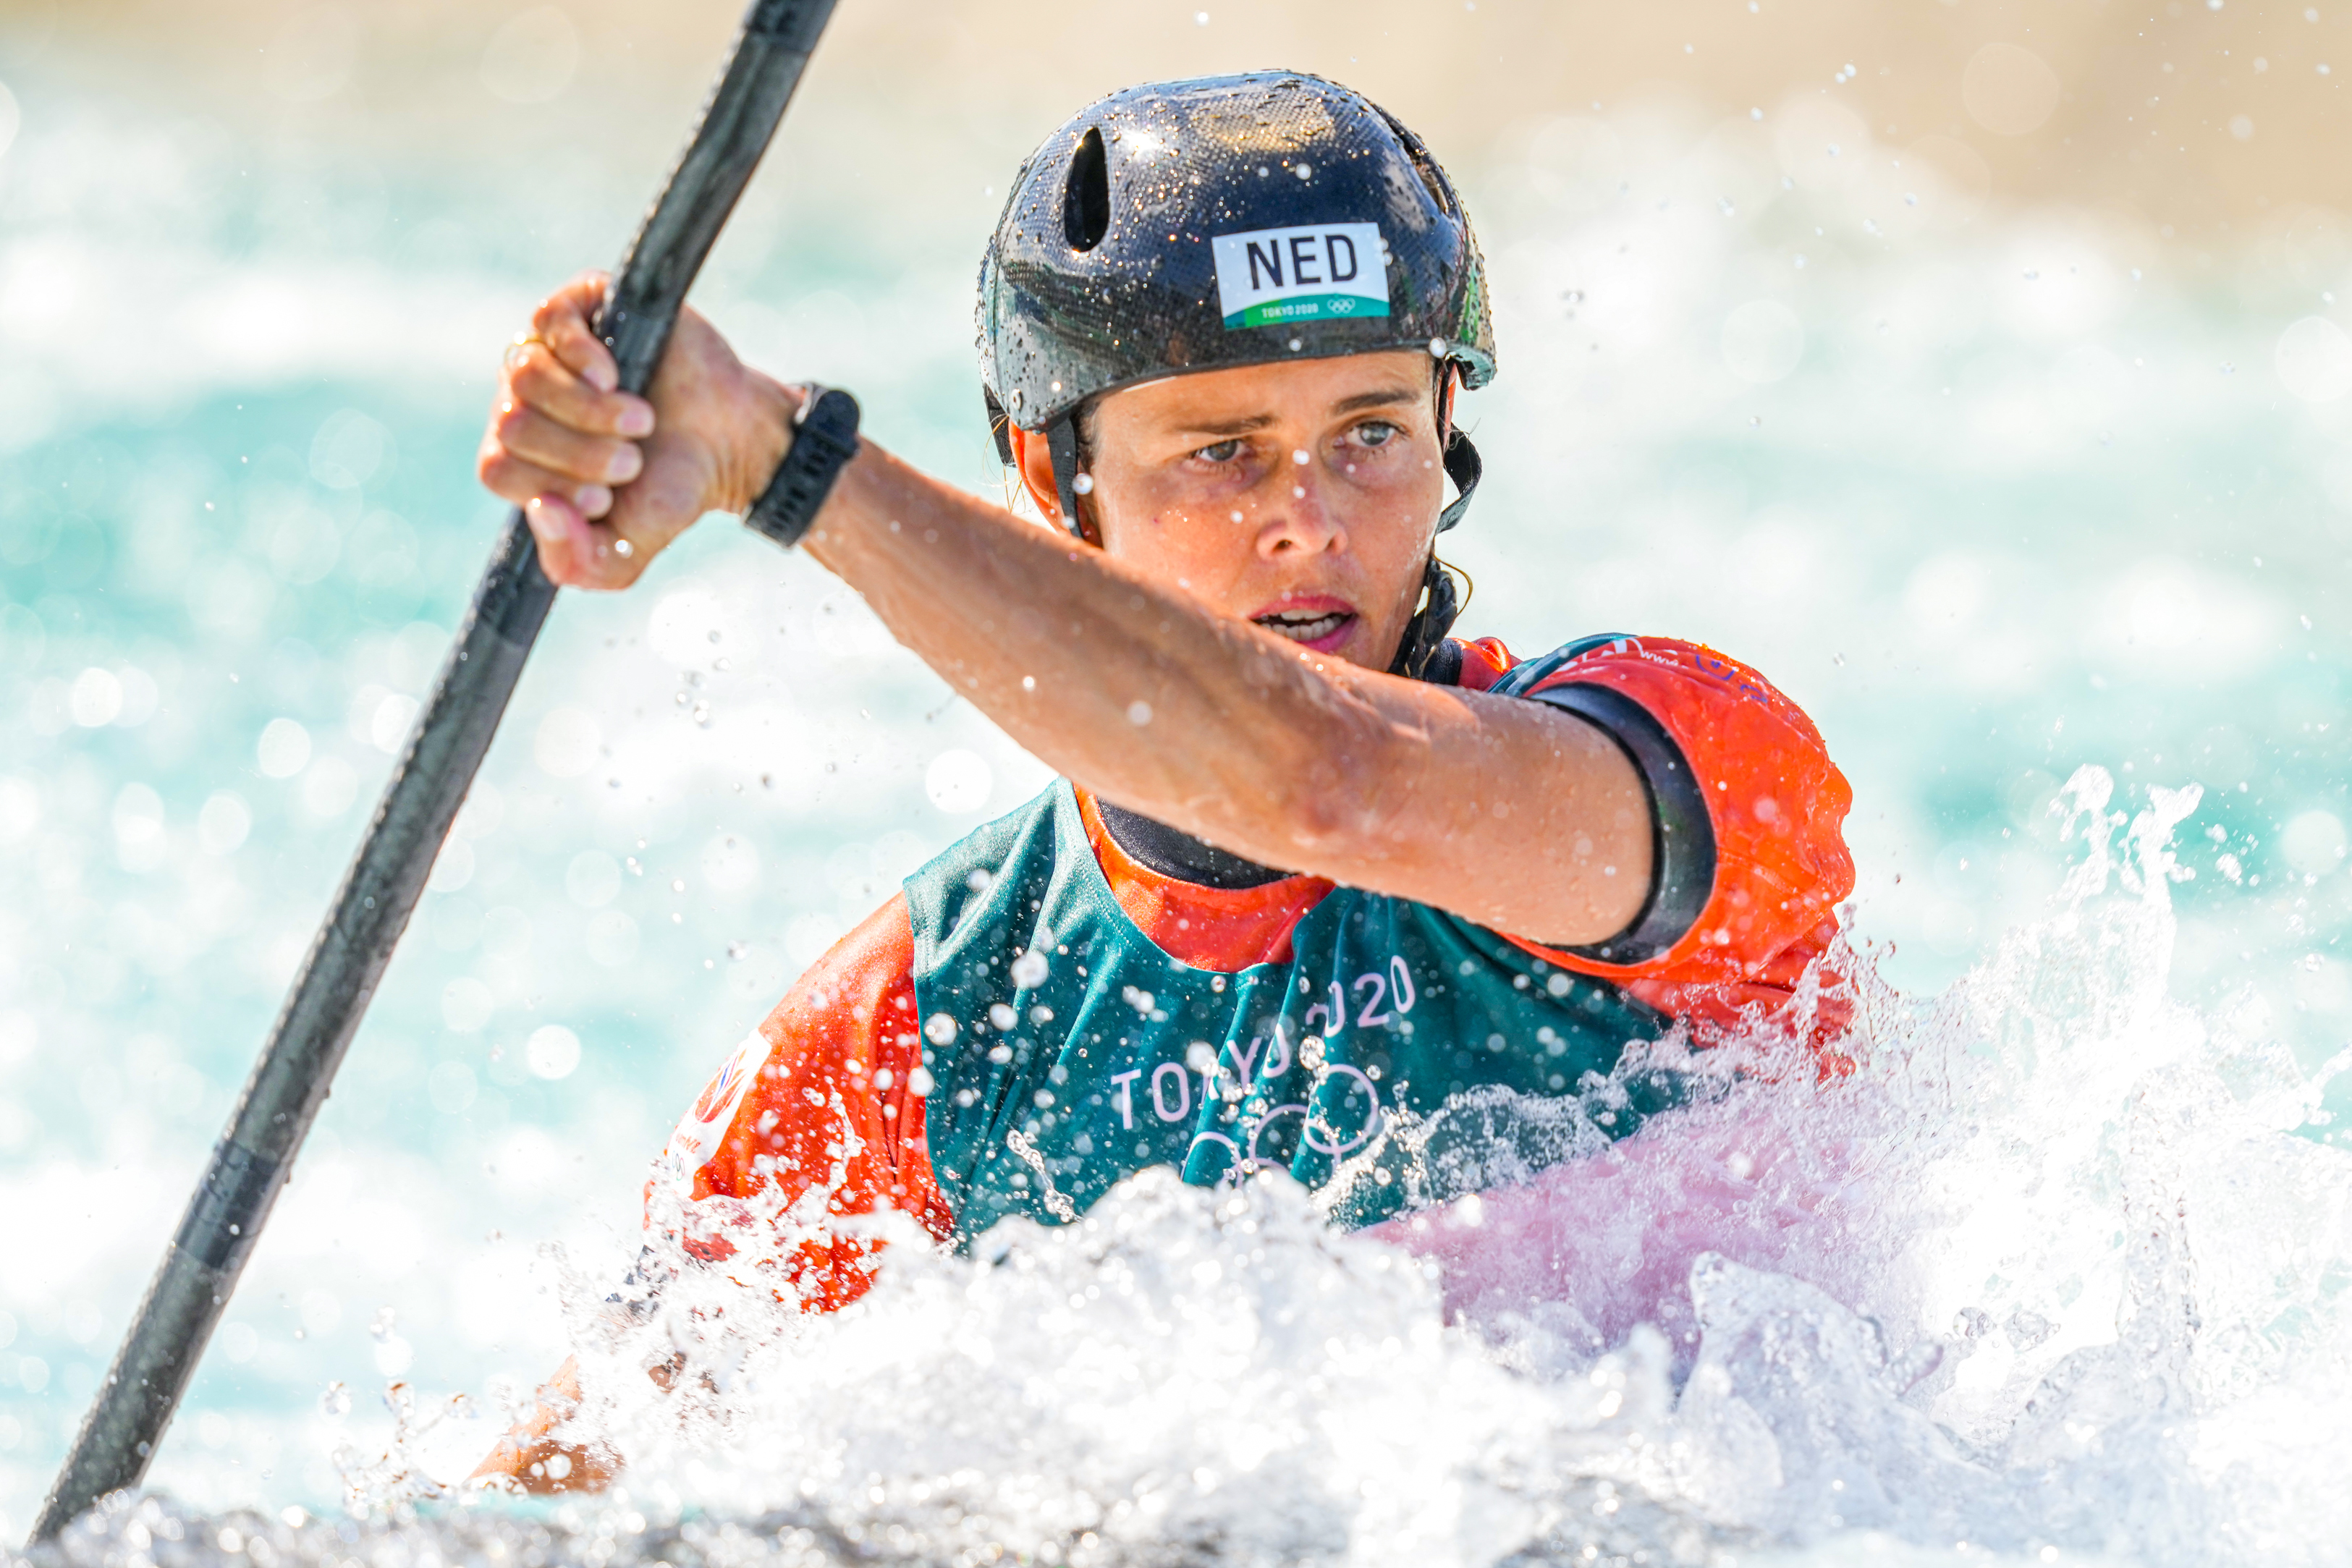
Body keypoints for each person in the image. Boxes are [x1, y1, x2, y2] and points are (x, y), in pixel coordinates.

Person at [468, 72, 1854, 1492]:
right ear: (1049, 474)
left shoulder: (1681, 768)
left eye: (1368, 431)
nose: (1304, 521)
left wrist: (782, 463)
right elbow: (555, 1479)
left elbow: (1330, 783)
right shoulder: (934, 1022)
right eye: (1218, 452)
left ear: (1448, 427)